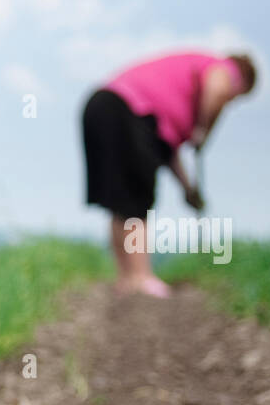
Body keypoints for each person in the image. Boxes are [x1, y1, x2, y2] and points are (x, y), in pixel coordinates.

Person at [82, 51, 257, 297]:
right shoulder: (225, 70)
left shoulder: (178, 95)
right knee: (136, 198)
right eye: (235, 98)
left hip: (101, 105)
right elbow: (218, 90)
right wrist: (204, 130)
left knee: (121, 199)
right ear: (242, 83)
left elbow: (167, 151)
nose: (229, 101)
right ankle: (141, 277)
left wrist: (188, 189)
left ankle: (127, 278)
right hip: (128, 110)